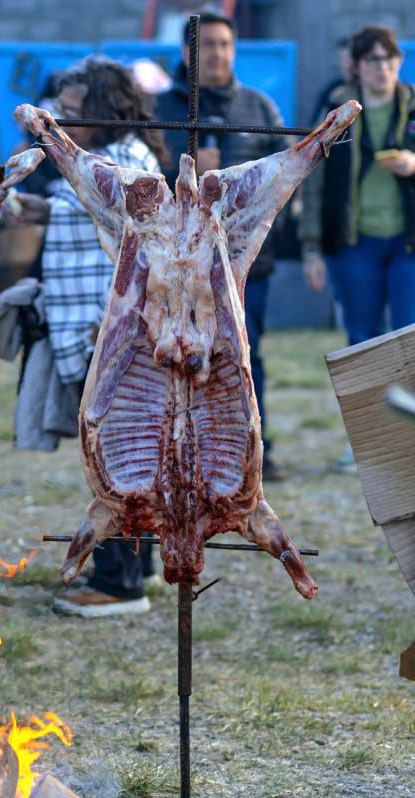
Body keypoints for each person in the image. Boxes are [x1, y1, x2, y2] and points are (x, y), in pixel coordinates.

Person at [7, 58, 170, 616]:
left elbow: (124, 219)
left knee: (117, 455)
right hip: (93, 325)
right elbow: (90, 212)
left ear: (105, 111)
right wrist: (43, 207)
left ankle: (119, 583)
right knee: (128, 450)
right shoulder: (110, 157)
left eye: (74, 113)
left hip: (113, 330)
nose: (66, 121)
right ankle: (136, 563)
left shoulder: (125, 160)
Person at [153, 11, 290, 481]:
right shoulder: (160, 109)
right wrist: (181, 164)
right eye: (208, 45)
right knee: (179, 356)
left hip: (247, 261)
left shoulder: (258, 108)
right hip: (176, 265)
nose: (218, 54)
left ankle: (253, 451)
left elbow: (281, 181)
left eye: (225, 45)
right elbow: (142, 182)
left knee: (246, 355)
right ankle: (184, 456)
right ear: (188, 53)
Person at [300, 25, 415, 411]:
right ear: (356, 65)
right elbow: (312, 182)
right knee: (364, 342)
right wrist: (311, 249)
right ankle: (369, 436)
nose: (381, 67)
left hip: (413, 242)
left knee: (414, 342)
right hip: (354, 245)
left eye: (388, 58)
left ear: (399, 62)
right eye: (372, 59)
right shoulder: (337, 110)